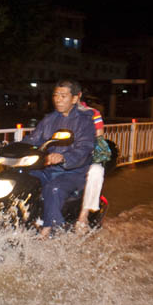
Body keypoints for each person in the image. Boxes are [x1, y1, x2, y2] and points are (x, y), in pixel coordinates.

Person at [22, 80, 96, 238]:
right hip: (46, 169)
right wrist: (13, 148)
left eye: (63, 96)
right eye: (56, 95)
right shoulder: (49, 119)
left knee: (53, 189)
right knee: (21, 178)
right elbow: (33, 139)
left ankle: (52, 230)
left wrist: (63, 157)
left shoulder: (85, 121)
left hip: (72, 173)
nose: (58, 99)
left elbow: (84, 149)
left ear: (75, 98)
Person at [76, 102, 110, 229]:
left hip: (84, 155)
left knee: (96, 171)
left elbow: (99, 138)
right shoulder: (58, 114)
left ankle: (83, 214)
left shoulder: (92, 113)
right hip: (63, 155)